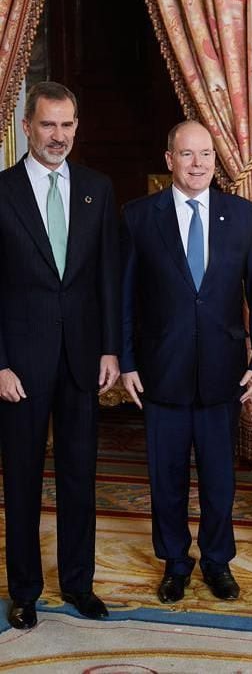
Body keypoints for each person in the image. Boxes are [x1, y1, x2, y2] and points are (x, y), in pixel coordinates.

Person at [121, 120, 252, 603]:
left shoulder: (243, 214)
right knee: (165, 477)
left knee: (218, 479)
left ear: (215, 159)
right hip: (159, 371)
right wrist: (126, 361)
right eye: (187, 155)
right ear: (169, 160)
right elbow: (124, 297)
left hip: (222, 371)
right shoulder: (138, 216)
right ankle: (174, 562)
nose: (198, 164)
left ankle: (216, 561)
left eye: (206, 155)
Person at [0, 82, 121, 629]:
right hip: (19, 366)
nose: (59, 136)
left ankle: (79, 584)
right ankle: (24, 590)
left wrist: (112, 349)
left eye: (68, 125)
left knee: (79, 477)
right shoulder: (1, 191)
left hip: (81, 359)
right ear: (27, 127)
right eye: (49, 125)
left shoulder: (98, 188)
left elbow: (107, 280)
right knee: (22, 478)